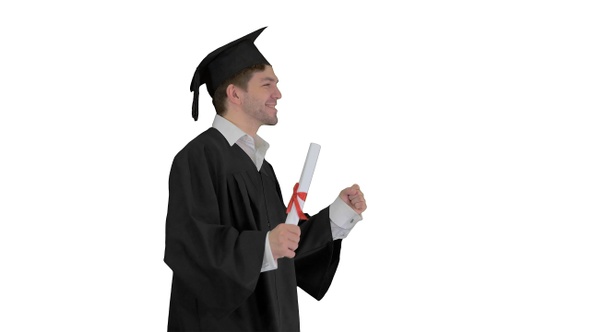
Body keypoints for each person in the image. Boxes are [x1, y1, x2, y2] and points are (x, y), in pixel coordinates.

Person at [164, 26, 367, 332]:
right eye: (267, 84)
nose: (278, 94)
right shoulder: (198, 158)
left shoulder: (261, 166)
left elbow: (281, 253)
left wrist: (336, 216)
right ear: (235, 93)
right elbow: (191, 247)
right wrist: (263, 245)